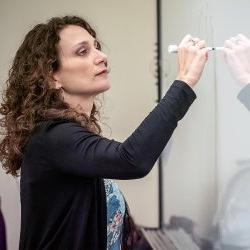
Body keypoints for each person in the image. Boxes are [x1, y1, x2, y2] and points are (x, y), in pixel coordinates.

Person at [0, 15, 208, 250]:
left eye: (96, 47)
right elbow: (131, 160)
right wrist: (186, 80)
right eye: (82, 51)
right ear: (51, 77)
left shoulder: (69, 135)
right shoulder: (52, 137)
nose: (101, 56)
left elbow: (110, 230)